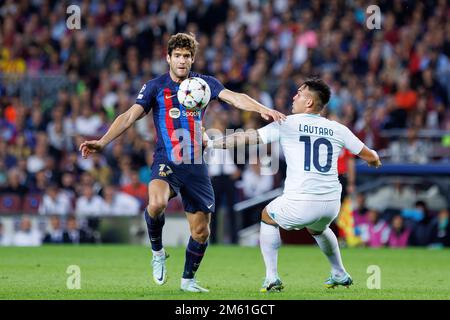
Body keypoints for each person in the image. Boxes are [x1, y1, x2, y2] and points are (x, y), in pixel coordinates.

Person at [79, 33, 285, 293]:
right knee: (156, 203)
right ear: (168, 57)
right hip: (167, 159)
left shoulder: (204, 84)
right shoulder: (156, 86)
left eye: (187, 56)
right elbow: (130, 116)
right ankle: (157, 252)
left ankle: (188, 280)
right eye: (177, 55)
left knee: (201, 232)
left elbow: (234, 96)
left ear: (192, 58)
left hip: (195, 164)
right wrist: (103, 141)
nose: (182, 60)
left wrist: (261, 109)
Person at [206, 78, 381, 292]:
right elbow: (369, 155)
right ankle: (339, 272)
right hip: (331, 204)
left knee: (267, 216)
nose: (294, 96)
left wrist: (212, 142)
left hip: (302, 201)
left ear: (309, 102)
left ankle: (271, 277)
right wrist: (374, 160)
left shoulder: (287, 123)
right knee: (318, 228)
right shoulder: (338, 128)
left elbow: (246, 138)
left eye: (299, 93)